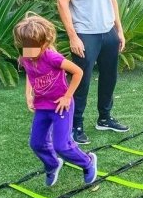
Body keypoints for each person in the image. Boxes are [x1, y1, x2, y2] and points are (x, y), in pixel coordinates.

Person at [57, 0, 129, 145]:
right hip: (84, 34)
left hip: (107, 31)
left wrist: (119, 29)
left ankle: (104, 118)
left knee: (110, 77)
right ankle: (75, 125)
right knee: (82, 80)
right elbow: (62, 1)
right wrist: (72, 36)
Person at [13, 14, 98, 186]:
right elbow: (31, 75)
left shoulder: (52, 57)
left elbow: (78, 72)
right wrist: (28, 95)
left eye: (33, 46)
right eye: (25, 45)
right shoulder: (25, 57)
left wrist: (67, 97)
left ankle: (87, 162)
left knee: (62, 145)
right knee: (36, 143)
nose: (29, 50)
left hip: (61, 106)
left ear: (44, 43)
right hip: (42, 107)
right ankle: (52, 165)